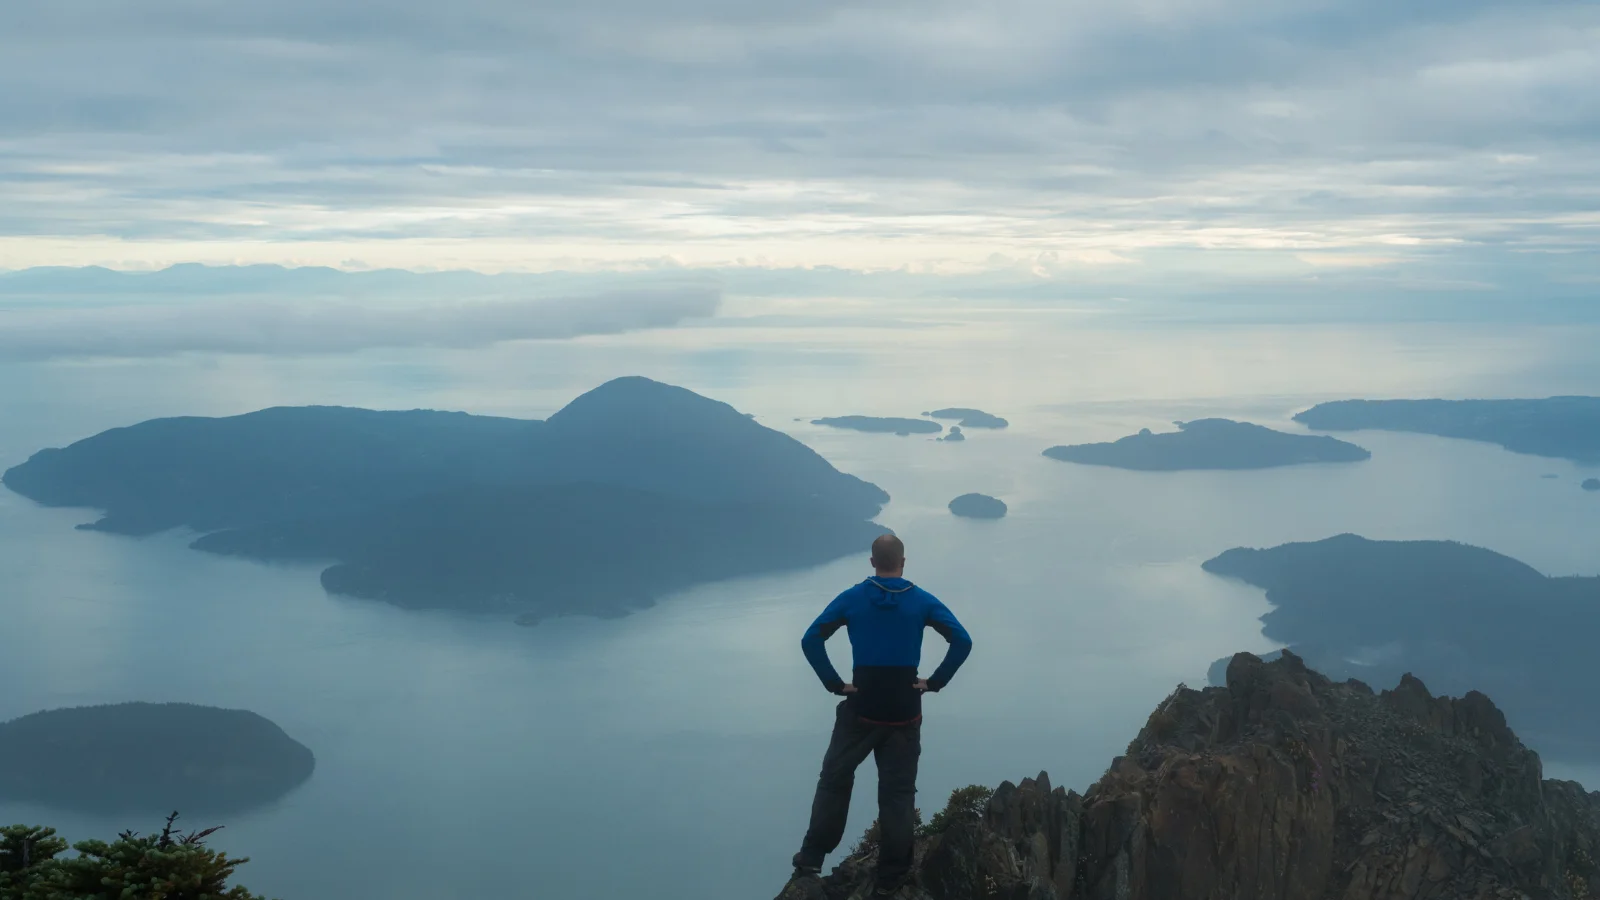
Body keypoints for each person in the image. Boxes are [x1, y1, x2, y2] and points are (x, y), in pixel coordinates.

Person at [789, 533, 973, 896]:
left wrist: (834, 684)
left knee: (834, 780)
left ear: (873, 562)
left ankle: (811, 859)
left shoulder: (853, 598)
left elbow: (811, 639)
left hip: (862, 709)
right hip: (905, 713)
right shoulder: (921, 600)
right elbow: (962, 641)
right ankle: (891, 878)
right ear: (903, 562)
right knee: (897, 794)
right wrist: (934, 682)